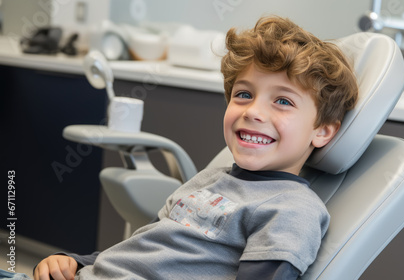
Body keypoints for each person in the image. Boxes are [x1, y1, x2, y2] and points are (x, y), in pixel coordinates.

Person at [32, 15, 358, 280]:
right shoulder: (211, 178)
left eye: (283, 101)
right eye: (243, 94)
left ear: (323, 131)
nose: (253, 111)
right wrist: (73, 262)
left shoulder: (291, 209)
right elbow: (147, 248)